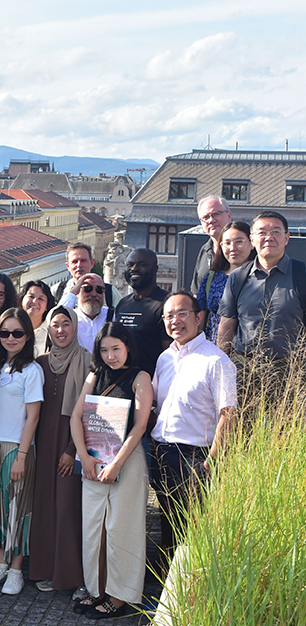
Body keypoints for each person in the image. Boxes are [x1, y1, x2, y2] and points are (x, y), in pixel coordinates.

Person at [69, 322, 153, 619]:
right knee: (93, 527)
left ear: (127, 346)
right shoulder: (95, 374)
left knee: (123, 529)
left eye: (115, 348)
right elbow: (76, 416)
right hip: (93, 458)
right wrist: (84, 457)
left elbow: (140, 425)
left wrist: (117, 464)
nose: (110, 355)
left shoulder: (140, 377)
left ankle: (121, 596)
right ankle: (97, 589)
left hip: (127, 462)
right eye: (104, 350)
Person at [153, 292, 236, 571]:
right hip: (163, 453)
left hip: (196, 457)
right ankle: (166, 596)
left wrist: (211, 461)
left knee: (193, 533)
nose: (175, 321)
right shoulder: (164, 358)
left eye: (182, 313)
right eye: (169, 316)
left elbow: (229, 414)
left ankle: (189, 601)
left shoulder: (216, 360)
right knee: (167, 526)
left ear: (199, 317)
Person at [0, 308, 43, 596]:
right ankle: (0, 563)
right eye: (4, 332)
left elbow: (33, 417)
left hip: (17, 447)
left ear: (27, 336)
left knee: (19, 509)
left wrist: (23, 456)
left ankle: (16, 569)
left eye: (17, 333)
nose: (10, 338)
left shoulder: (32, 370)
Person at [28, 307, 89, 594]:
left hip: (71, 443)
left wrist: (72, 449)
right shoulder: (38, 363)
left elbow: (90, 413)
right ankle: (45, 569)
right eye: (55, 325)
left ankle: (73, 576)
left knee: (68, 507)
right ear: (48, 330)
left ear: (75, 327)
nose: (61, 330)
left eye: (67, 324)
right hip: (43, 443)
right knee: (44, 504)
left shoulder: (88, 362)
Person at [217, 210, 306, 362]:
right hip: (244, 368)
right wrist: (220, 365)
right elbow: (227, 326)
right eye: (262, 232)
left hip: (291, 369)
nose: (269, 238)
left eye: (276, 232)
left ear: (287, 238)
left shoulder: (301, 274)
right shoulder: (238, 277)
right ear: (252, 240)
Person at [115, 248, 171, 377]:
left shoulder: (167, 304)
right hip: (123, 383)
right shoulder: (122, 304)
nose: (134, 269)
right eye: (130, 264)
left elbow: (171, 353)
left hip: (153, 385)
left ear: (155, 269)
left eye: (142, 265)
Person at [197, 221, 254, 341]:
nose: (233, 248)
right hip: (213, 348)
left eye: (239, 242)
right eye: (227, 243)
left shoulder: (259, 277)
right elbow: (200, 318)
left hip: (247, 350)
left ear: (252, 243)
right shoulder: (211, 278)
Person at [54, 242, 121, 308]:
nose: (79, 265)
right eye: (74, 261)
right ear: (68, 266)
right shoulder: (57, 291)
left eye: (83, 260)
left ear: (92, 263)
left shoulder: (110, 292)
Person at [189, 196, 233, 294]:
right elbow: (195, 291)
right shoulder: (204, 250)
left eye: (216, 214)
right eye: (206, 217)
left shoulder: (242, 248)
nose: (211, 220)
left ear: (229, 216)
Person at [60, 273, 113, 351]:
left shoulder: (113, 315)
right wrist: (73, 292)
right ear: (78, 292)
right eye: (88, 289)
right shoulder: (71, 317)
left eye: (99, 290)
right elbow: (57, 316)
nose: (94, 294)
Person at [20, 280, 55, 356]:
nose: (35, 301)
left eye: (41, 299)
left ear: (47, 306)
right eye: (31, 296)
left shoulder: (52, 331)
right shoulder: (11, 327)